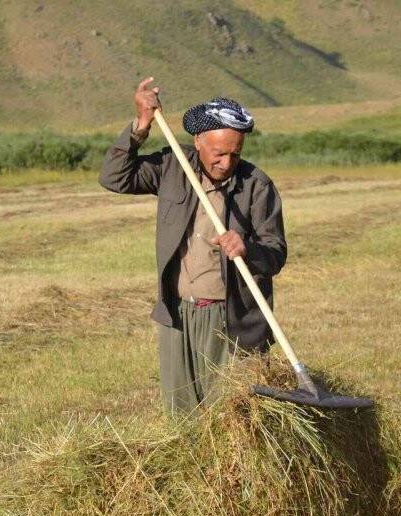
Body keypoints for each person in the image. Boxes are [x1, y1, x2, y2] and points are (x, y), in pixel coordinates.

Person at [99, 78, 287, 412]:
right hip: (178, 312)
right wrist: (141, 126)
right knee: (181, 412)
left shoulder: (257, 185)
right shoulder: (173, 166)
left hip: (230, 318)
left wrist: (247, 248)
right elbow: (115, 177)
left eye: (235, 154)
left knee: (231, 415)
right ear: (198, 141)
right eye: (219, 154)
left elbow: (275, 253)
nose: (226, 163)